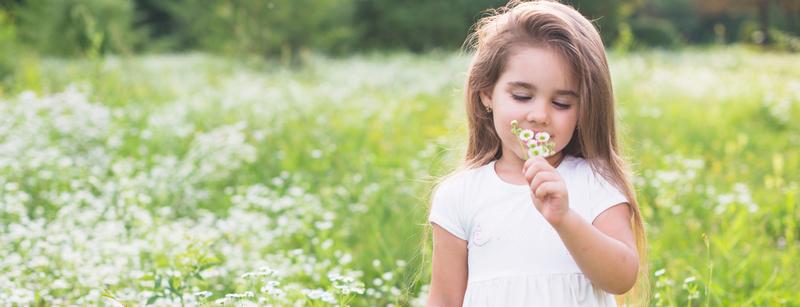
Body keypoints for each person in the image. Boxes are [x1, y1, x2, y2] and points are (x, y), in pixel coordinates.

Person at [425, 1, 648, 306]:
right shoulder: (460, 194)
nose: (539, 115)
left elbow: (621, 278)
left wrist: (564, 219)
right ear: (487, 93)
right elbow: (445, 299)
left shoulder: (594, 180)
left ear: (585, 110)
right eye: (522, 96)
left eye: (562, 104)